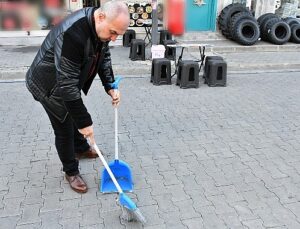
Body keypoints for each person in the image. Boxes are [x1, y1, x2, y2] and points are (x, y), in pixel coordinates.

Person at [26, 1, 130, 193]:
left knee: (74, 112)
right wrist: (84, 123)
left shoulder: (100, 28)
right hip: (48, 86)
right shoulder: (73, 35)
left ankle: (81, 147)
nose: (114, 39)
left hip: (66, 83)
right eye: (113, 32)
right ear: (101, 17)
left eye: (118, 35)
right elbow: (66, 86)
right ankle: (71, 171)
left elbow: (103, 57)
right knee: (64, 126)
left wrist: (110, 86)